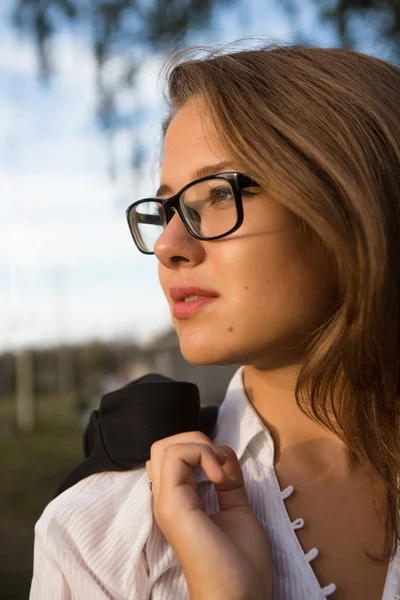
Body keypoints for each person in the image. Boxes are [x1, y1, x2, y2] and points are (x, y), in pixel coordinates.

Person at [30, 43, 400, 600]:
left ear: (350, 198)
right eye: (166, 211)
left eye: (216, 195)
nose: (168, 247)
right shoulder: (101, 533)